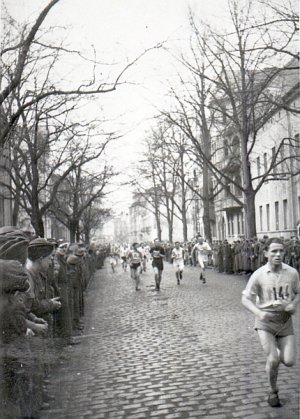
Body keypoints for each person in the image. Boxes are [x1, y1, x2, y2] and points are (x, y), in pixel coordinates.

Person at [241, 237, 300, 408]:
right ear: (266, 253)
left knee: (289, 361)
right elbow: (245, 299)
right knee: (273, 359)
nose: (278, 254)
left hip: (284, 321)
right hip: (265, 322)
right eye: (274, 251)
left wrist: (292, 305)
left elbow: (298, 293)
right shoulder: (258, 275)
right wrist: (259, 312)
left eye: (281, 251)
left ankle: (279, 352)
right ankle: (273, 391)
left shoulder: (292, 273)